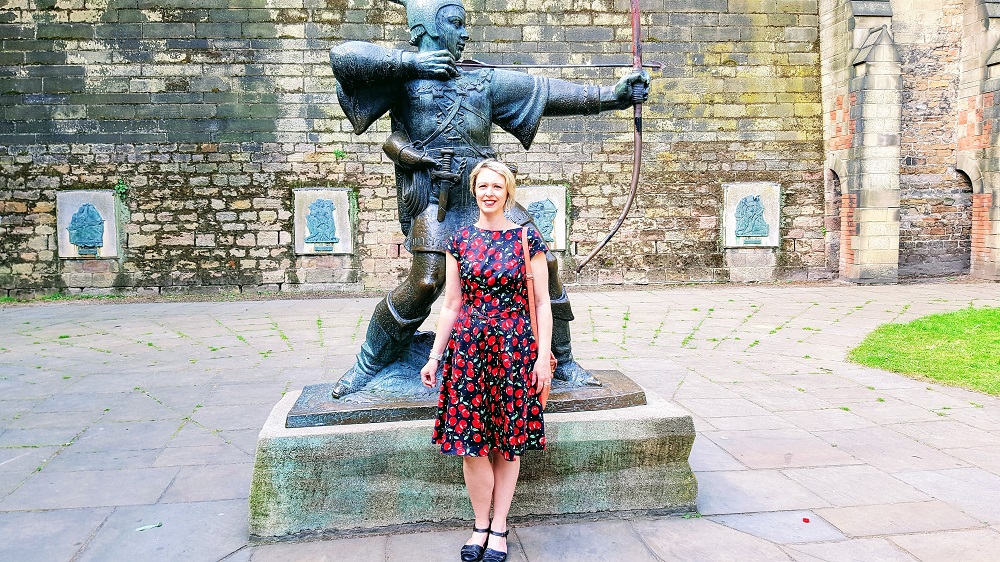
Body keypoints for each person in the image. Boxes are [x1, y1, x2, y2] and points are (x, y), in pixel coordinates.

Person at [327, 0, 650, 398]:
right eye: (455, 23)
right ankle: (367, 365)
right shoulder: (401, 76)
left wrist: (612, 96)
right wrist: (413, 65)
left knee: (545, 264)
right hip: (438, 200)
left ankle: (563, 361)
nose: (464, 33)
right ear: (427, 27)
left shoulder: (481, 79)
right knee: (426, 283)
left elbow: (545, 91)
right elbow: (342, 57)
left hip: (489, 193)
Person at [420, 159, 550, 562]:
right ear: (474, 191)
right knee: (471, 444)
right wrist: (434, 356)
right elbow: (451, 303)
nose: (489, 193)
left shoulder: (527, 238)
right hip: (468, 352)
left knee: (507, 444)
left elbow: (542, 303)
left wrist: (542, 358)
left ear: (507, 191)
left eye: (497, 186)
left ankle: (500, 527)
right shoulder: (459, 240)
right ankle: (480, 525)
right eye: (483, 186)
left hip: (514, 351)